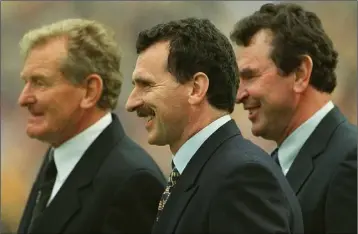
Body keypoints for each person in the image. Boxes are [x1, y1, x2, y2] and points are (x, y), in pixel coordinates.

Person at [125, 17, 303, 234]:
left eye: (146, 85)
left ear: (196, 89)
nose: (131, 103)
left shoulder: (241, 178)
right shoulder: (201, 171)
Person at [17, 18, 166, 234]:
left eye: (40, 83)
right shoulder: (57, 161)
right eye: (25, 82)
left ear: (90, 91)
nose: (24, 98)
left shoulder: (132, 182)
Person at [230, 3, 357, 234]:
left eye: (250, 76)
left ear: (300, 74)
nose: (239, 96)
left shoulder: (350, 161)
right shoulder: (275, 163)